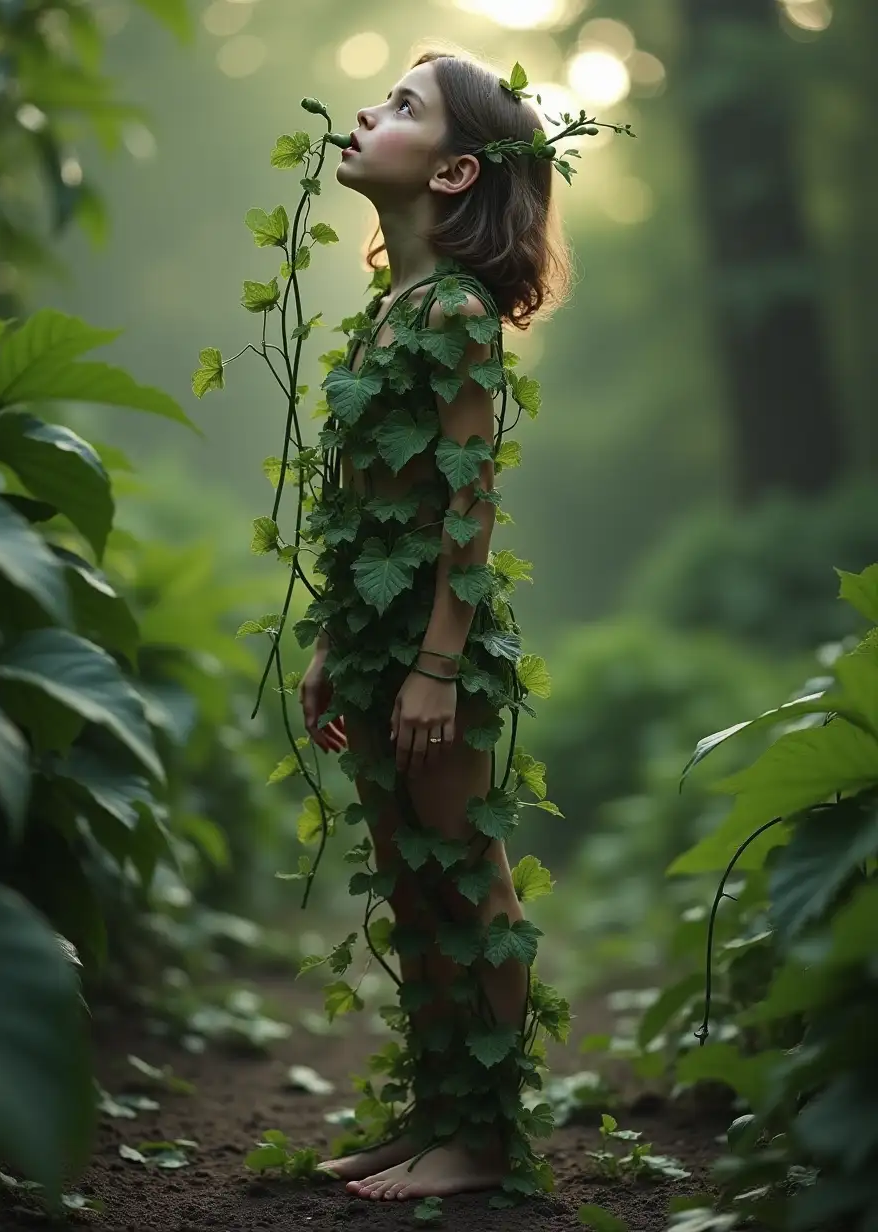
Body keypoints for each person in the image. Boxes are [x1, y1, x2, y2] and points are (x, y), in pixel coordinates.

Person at [297, 48, 569, 1203]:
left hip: (432, 648)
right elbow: (371, 506)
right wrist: (329, 640)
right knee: (413, 882)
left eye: (401, 107)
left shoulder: (454, 314)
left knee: (467, 875)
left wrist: (434, 667)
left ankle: (487, 1141)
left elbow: (467, 497)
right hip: (375, 637)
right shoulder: (390, 311)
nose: (367, 112)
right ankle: (435, 1113)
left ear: (455, 171)